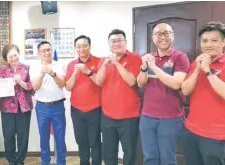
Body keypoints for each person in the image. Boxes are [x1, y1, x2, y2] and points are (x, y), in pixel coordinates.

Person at [180, 21, 225, 165]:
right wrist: (198, 68)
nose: (208, 44)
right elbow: (185, 90)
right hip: (191, 130)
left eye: (214, 40)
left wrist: (207, 70)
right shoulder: (196, 63)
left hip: (215, 135)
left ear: (223, 42)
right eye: (204, 41)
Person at [136, 23, 190, 165]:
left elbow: (176, 84)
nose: (162, 37)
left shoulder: (180, 57)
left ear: (172, 35)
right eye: (158, 34)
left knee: (167, 159)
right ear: (153, 38)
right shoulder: (149, 57)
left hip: (170, 119)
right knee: (150, 158)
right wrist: (143, 67)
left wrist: (153, 67)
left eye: (166, 33)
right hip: (147, 117)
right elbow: (140, 83)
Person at [95, 29, 142, 165]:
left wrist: (116, 63)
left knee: (130, 152)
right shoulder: (103, 60)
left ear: (125, 42)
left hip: (129, 116)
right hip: (108, 116)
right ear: (109, 44)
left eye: (119, 40)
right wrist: (105, 64)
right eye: (113, 41)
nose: (116, 43)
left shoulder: (135, 58)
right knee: (109, 153)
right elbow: (98, 82)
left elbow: (132, 81)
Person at [65, 35, 102, 165]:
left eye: (84, 45)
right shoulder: (71, 65)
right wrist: (75, 73)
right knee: (82, 140)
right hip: (77, 109)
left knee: (95, 141)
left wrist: (88, 71)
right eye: (78, 46)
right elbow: (68, 87)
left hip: (95, 108)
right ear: (75, 48)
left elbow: (101, 83)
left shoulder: (99, 61)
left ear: (89, 46)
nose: (81, 49)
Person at [30, 41, 67, 165]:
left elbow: (62, 84)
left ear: (52, 51)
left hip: (58, 106)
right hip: (42, 107)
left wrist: (53, 74)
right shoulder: (34, 67)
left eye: (48, 50)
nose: (46, 52)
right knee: (44, 138)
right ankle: (45, 162)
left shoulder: (60, 65)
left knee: (60, 138)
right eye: (43, 51)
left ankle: (61, 162)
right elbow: (34, 87)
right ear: (39, 53)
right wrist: (41, 75)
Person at [0, 44, 33, 165]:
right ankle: (11, 161)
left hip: (24, 108)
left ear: (19, 54)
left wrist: (21, 82)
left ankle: (20, 161)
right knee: (8, 136)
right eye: (10, 56)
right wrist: (10, 84)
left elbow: (32, 88)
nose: (13, 58)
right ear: (6, 59)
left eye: (15, 55)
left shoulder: (26, 68)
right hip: (7, 109)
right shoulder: (2, 71)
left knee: (23, 136)